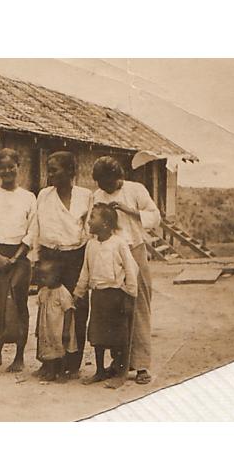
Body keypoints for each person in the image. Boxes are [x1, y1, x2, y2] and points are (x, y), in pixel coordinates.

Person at [92, 156, 160, 385]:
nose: (106, 188)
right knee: (115, 310)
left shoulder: (135, 189)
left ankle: (141, 365)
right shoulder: (98, 195)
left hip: (135, 250)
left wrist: (128, 210)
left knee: (139, 306)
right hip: (111, 255)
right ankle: (120, 362)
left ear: (118, 176)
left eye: (109, 183)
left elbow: (154, 216)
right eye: (102, 184)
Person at [36, 151, 92, 378]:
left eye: (55, 170)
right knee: (49, 310)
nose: (50, 175)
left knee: (75, 308)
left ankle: (72, 363)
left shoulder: (85, 196)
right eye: (48, 170)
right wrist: (37, 260)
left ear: (71, 171)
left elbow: (88, 231)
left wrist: (85, 263)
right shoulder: (44, 196)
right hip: (50, 256)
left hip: (75, 257)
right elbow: (36, 228)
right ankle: (49, 361)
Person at [0, 148, 37, 372]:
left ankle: (19, 356)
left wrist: (15, 257)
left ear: (18, 166)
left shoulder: (28, 197)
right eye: (2, 167)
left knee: (19, 304)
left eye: (10, 166)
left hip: (20, 257)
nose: (7, 171)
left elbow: (33, 229)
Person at [73, 203, 138, 389]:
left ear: (106, 224)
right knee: (97, 335)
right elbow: (85, 271)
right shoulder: (91, 245)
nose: (89, 221)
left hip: (116, 295)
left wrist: (130, 294)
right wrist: (79, 292)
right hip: (98, 296)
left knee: (118, 337)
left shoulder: (119, 244)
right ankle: (100, 370)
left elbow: (131, 269)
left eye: (93, 217)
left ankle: (120, 373)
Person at [34, 259, 77, 382]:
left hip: (59, 327)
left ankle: (62, 372)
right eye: (41, 277)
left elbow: (69, 310)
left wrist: (66, 330)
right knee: (50, 350)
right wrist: (38, 327)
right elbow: (40, 309)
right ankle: (51, 371)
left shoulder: (62, 292)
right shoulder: (43, 291)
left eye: (45, 277)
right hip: (47, 327)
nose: (42, 280)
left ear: (57, 276)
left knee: (61, 350)